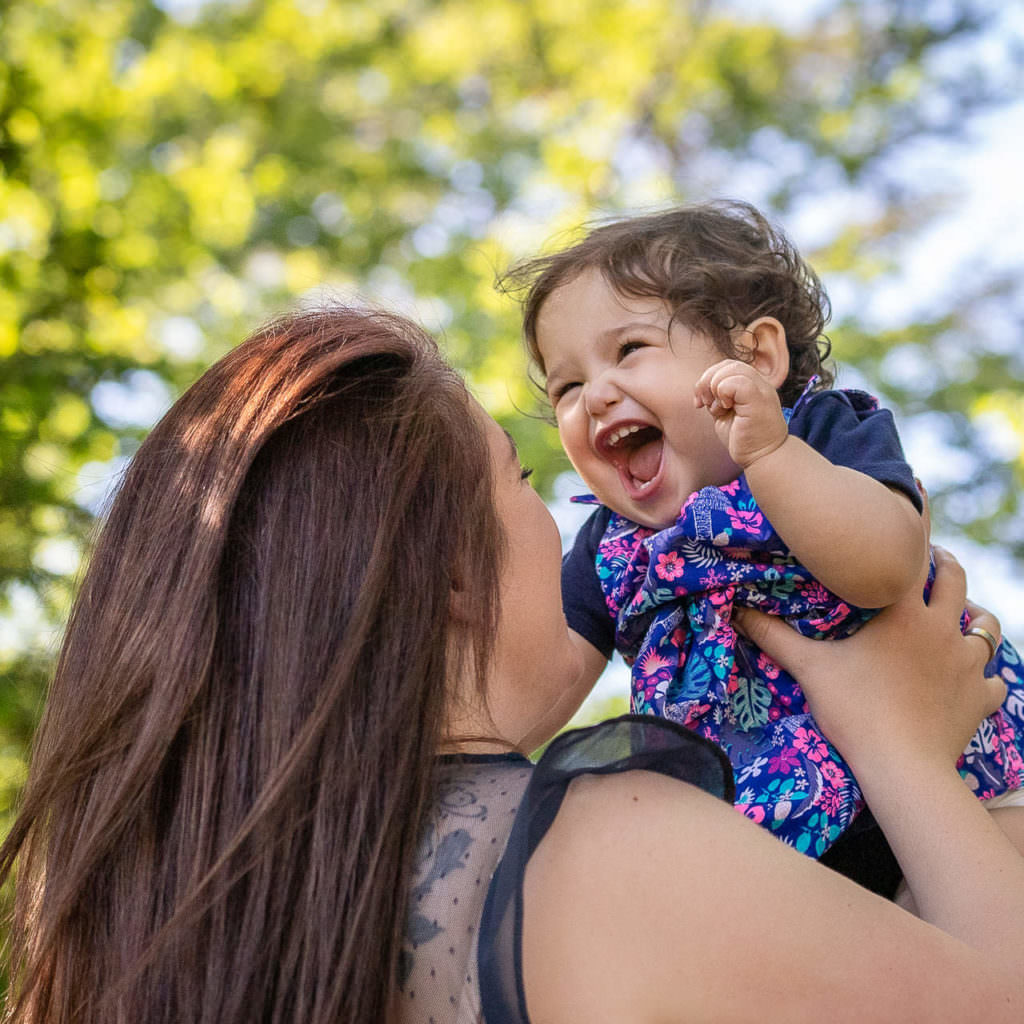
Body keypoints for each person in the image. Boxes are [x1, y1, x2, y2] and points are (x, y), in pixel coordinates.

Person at [1, 305, 1023, 1024]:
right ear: (450, 567)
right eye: (520, 479)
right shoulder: (610, 859)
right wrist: (897, 747)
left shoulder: (183, 948)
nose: (566, 527)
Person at [502, 200, 1024, 887]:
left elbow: (886, 568)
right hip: (783, 846)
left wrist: (772, 455)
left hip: (970, 774)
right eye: (566, 386)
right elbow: (544, 684)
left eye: (629, 350)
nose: (594, 396)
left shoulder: (823, 437)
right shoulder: (611, 549)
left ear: (758, 355)